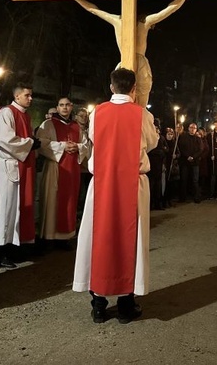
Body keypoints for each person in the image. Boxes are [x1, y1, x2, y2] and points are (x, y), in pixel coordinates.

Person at [72, 68, 159, 323]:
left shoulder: (96, 113)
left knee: (99, 239)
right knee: (131, 242)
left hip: (102, 184)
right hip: (133, 184)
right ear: (134, 89)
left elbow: (93, 139)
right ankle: (125, 305)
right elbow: (152, 142)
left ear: (111, 87)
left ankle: (98, 304)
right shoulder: (143, 114)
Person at [74, 0, 189, 107]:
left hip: (128, 62)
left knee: (125, 100)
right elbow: (171, 8)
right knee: (132, 102)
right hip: (134, 62)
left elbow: (93, 9)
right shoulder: (142, 22)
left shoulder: (122, 20)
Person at [0, 83, 41, 268]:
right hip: (9, 167)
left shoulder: (24, 115)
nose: (30, 98)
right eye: (27, 95)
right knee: (6, 209)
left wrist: (30, 143)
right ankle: (0, 250)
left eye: (31, 95)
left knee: (18, 209)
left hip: (21, 165)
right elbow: (4, 140)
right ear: (17, 96)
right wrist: (30, 143)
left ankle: (15, 246)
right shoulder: (6, 113)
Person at [36, 97, 90, 250]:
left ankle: (64, 238)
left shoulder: (76, 126)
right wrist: (62, 146)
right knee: (52, 200)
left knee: (69, 201)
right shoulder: (48, 124)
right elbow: (41, 143)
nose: (64, 108)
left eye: (67, 105)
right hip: (55, 167)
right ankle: (49, 238)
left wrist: (78, 147)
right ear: (57, 107)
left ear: (71, 107)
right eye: (61, 105)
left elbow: (86, 144)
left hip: (72, 170)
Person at [178, 123, 205, 203]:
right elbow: (181, 148)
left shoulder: (198, 139)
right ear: (189, 128)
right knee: (184, 179)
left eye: (194, 128)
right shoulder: (183, 137)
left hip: (195, 162)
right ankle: (183, 197)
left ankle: (196, 197)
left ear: (196, 129)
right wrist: (187, 156)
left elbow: (200, 149)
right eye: (191, 127)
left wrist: (193, 157)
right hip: (185, 161)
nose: (193, 129)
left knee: (195, 180)